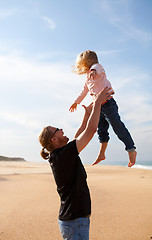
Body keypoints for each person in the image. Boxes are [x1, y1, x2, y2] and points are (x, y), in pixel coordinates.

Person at [39, 87, 113, 240]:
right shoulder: (62, 155)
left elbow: (79, 134)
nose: (61, 129)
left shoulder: (61, 154)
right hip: (74, 221)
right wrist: (98, 103)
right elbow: (91, 131)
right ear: (53, 139)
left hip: (74, 219)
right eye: (58, 130)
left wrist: (86, 115)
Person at [69, 50, 137, 167]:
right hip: (99, 107)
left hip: (108, 104)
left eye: (83, 64)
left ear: (88, 62)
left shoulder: (97, 68)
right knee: (101, 130)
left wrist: (94, 71)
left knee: (117, 127)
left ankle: (131, 149)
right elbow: (83, 92)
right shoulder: (87, 79)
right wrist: (76, 102)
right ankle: (102, 154)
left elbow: (98, 68)